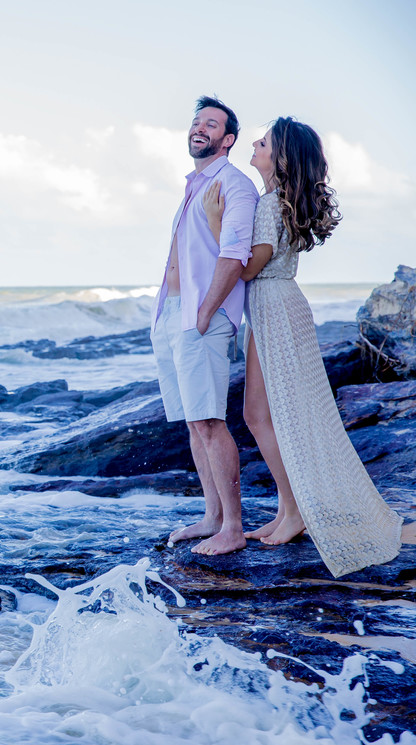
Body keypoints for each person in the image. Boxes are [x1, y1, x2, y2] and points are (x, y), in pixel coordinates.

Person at [200, 117, 401, 577]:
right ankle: (290, 509)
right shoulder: (275, 202)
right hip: (275, 309)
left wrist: (215, 223)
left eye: (264, 141)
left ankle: (294, 513)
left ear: (281, 157)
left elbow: (247, 270)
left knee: (266, 416)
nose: (255, 142)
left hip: (276, 309)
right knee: (264, 415)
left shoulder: (271, 206)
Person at [152, 96, 259, 556]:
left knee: (211, 422)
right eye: (196, 122)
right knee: (195, 425)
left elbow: (235, 255)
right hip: (172, 314)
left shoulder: (234, 186)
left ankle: (233, 527)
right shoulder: (194, 185)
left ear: (227, 139)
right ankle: (212, 516)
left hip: (201, 316)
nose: (199, 129)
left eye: (210, 124)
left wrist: (203, 313)